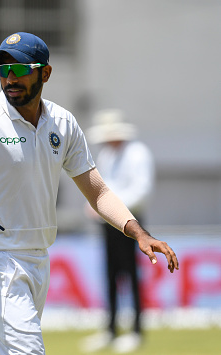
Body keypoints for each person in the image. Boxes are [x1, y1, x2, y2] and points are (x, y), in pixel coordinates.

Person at [0, 32, 178, 355]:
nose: (10, 78)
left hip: (37, 259)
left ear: (45, 73)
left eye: (21, 69)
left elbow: (97, 192)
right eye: (3, 69)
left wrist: (138, 232)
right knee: (28, 351)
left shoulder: (63, 124)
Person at [81, 109, 155, 353]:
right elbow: (102, 188)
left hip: (132, 222)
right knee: (111, 274)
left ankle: (135, 330)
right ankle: (111, 329)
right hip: (108, 224)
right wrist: (98, 207)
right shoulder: (106, 154)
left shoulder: (137, 153)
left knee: (131, 274)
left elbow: (141, 190)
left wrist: (112, 208)